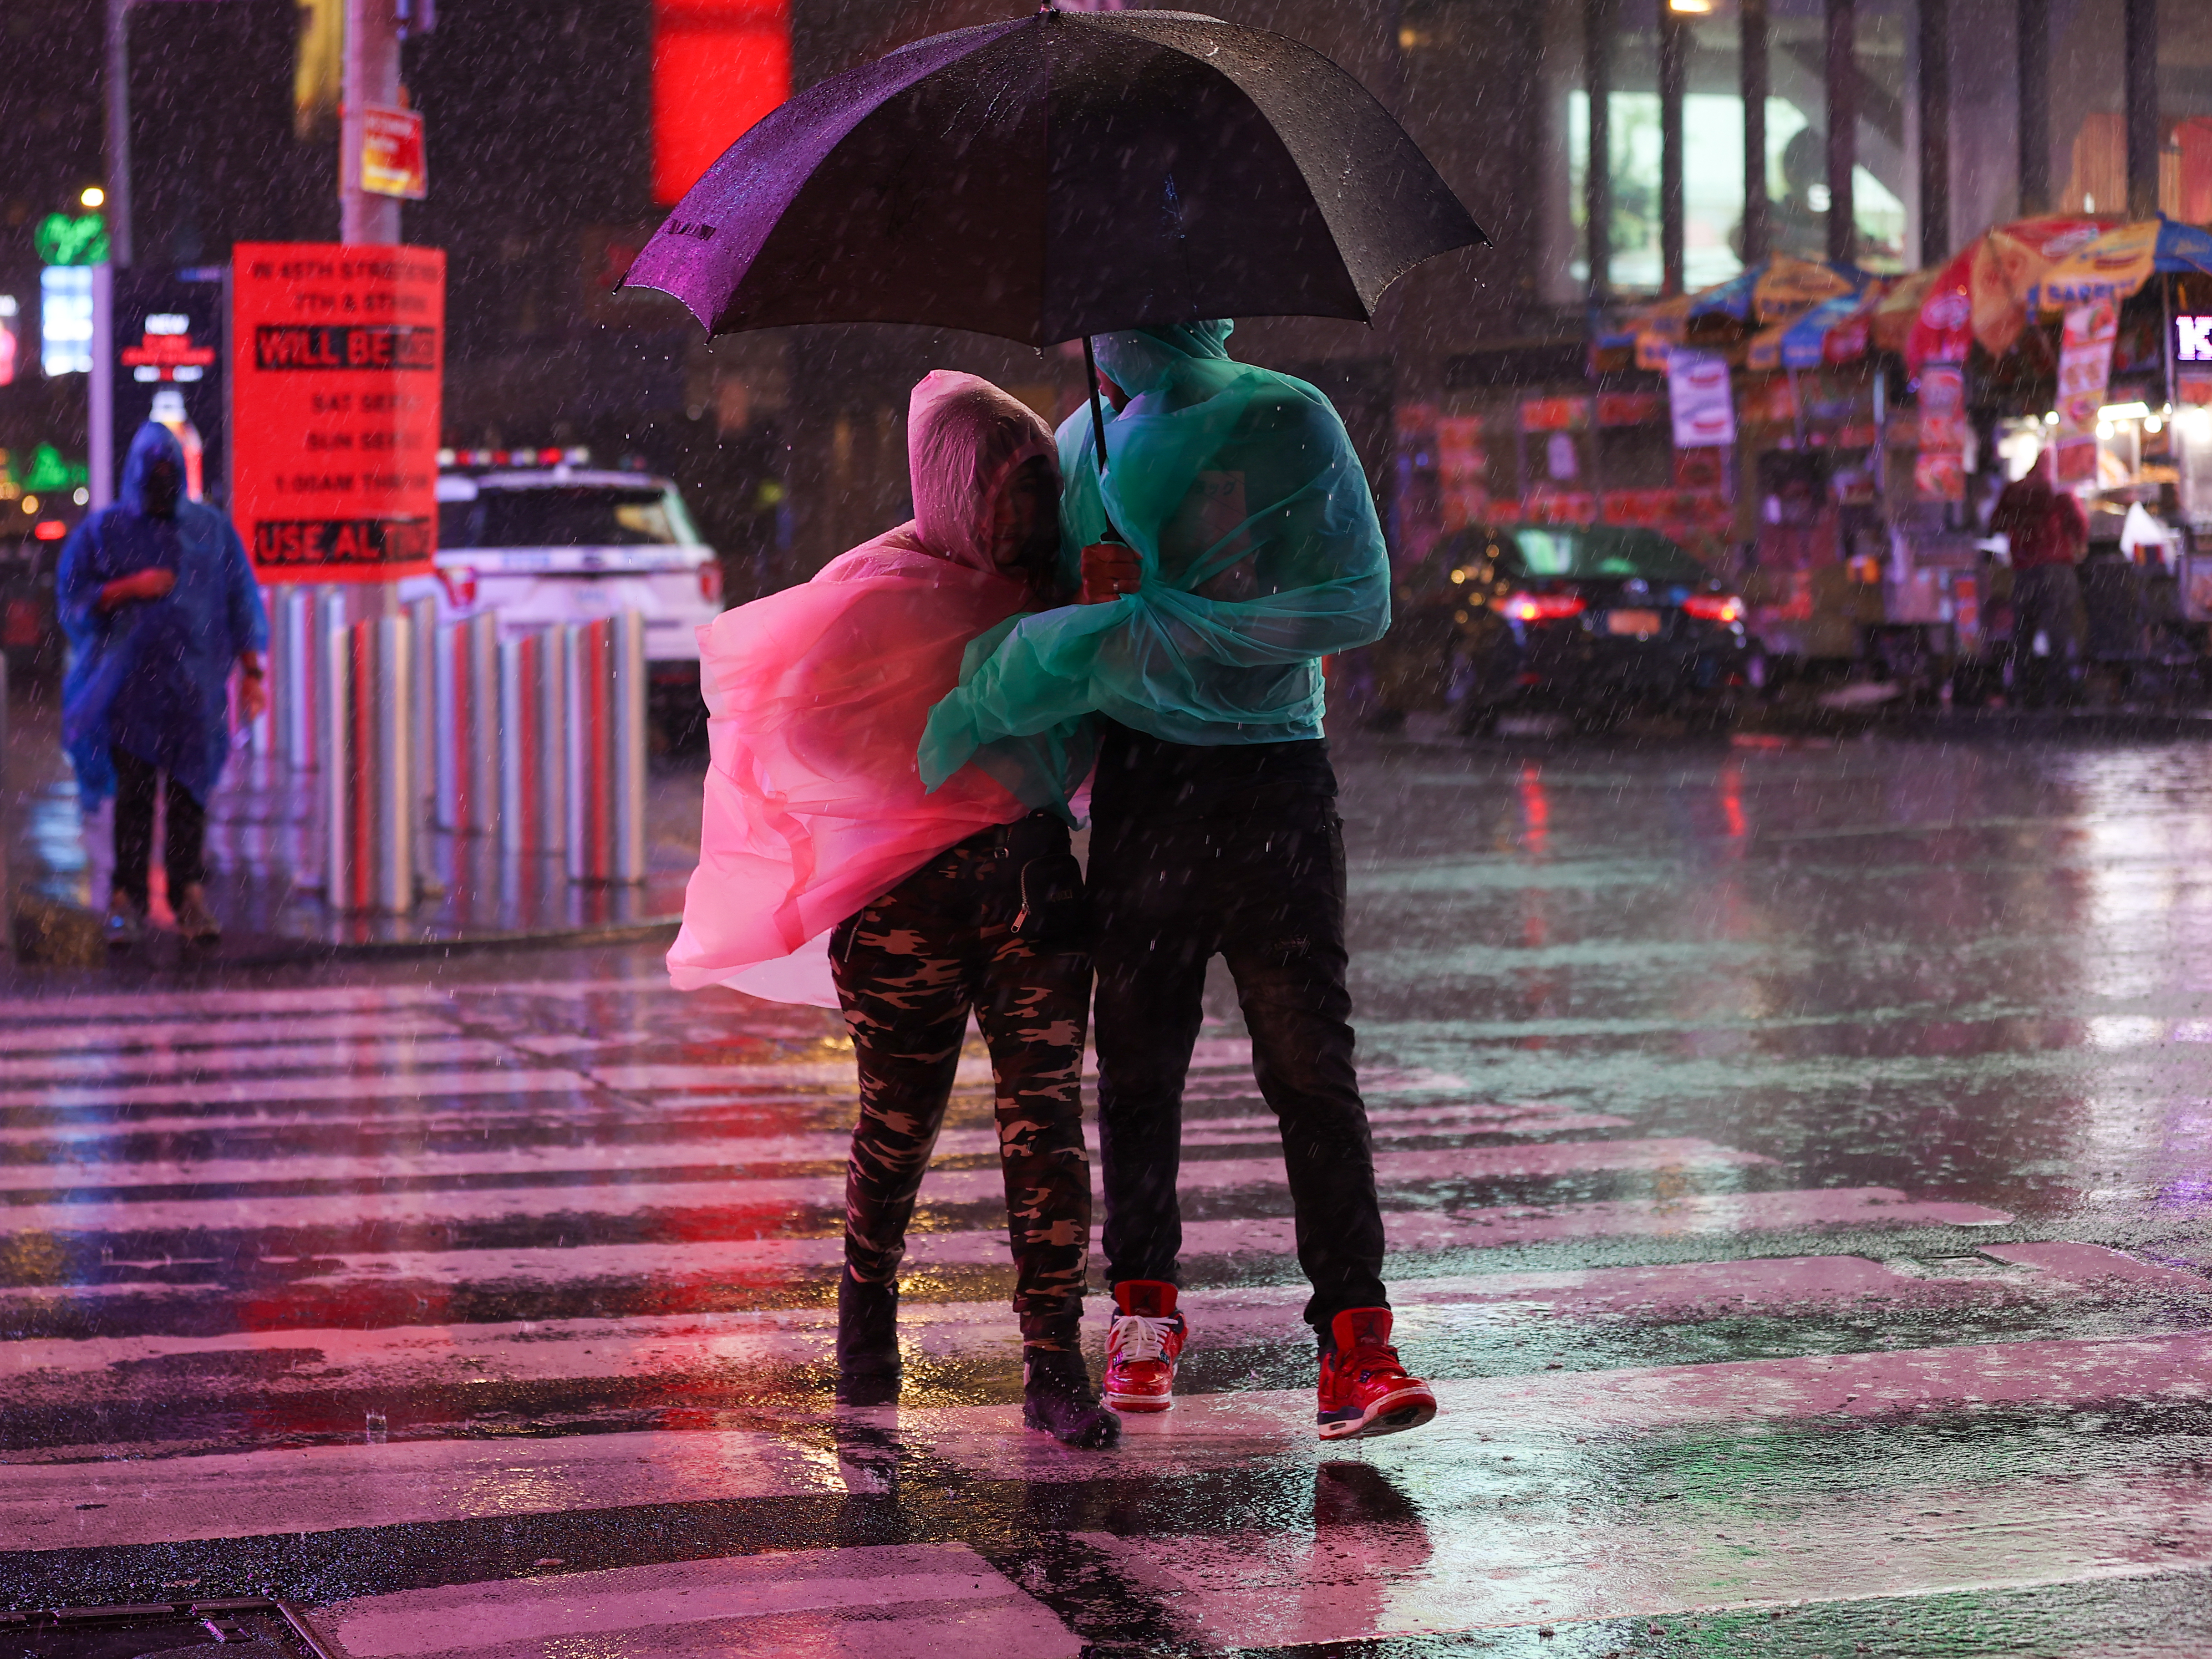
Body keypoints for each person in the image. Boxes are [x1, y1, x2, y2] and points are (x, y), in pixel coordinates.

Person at [920, 322, 1439, 1442]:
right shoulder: (1083, 444)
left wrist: (1196, 612)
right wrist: (1099, 603)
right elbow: (1046, 627)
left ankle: (1356, 1339)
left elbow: (1357, 600)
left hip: (1273, 782)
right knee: (1140, 1064)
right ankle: (1144, 1313)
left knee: (1308, 1062)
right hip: (1149, 791)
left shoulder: (1286, 417)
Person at [667, 371, 1115, 1448]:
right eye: (1011, 497)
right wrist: (922, 746)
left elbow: (1096, 732)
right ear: (957, 490)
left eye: (1042, 494)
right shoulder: (875, 591)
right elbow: (797, 731)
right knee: (898, 1128)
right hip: (904, 920)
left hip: (1035, 895)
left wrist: (1094, 627)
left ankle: (1055, 1361)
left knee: (1044, 1121)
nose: (1030, 522)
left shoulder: (1067, 583)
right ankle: (865, 1304)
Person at [58, 422, 267, 947]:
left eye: (168, 473)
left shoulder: (211, 530)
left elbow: (241, 600)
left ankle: (187, 894)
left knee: (188, 796)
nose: (161, 482)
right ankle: (125, 897)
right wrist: (129, 588)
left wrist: (253, 673)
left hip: (193, 693)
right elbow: (74, 596)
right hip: (129, 695)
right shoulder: (106, 531)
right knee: (132, 797)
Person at [1989, 449, 2088, 707]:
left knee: (2023, 635)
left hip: (2025, 572)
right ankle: (2060, 697)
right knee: (2059, 635)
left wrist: (2020, 527)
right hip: (2056, 570)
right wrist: (2078, 545)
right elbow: (2080, 524)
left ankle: (2022, 694)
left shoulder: (2014, 490)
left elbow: (1995, 522)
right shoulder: (2061, 490)